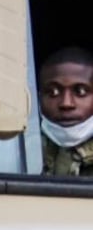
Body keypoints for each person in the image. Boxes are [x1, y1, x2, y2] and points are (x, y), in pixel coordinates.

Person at [38, 45, 93, 177]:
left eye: (80, 91)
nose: (66, 103)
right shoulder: (17, 155)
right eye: (53, 92)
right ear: (38, 98)